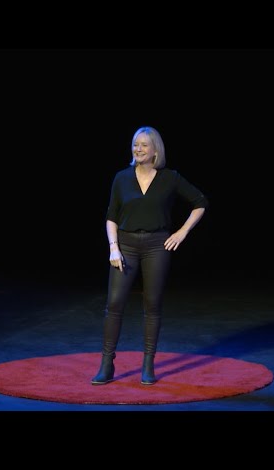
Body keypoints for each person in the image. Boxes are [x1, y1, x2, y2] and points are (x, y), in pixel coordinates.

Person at [91, 126, 208, 385]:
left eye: (144, 145)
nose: (139, 149)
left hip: (157, 245)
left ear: (156, 150)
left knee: (152, 305)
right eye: (135, 144)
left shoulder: (170, 178)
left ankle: (148, 365)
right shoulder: (121, 178)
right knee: (114, 304)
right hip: (125, 244)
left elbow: (200, 202)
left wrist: (182, 232)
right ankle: (107, 364)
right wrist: (113, 247)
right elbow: (111, 216)